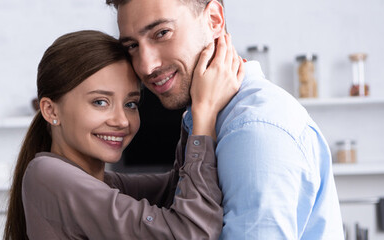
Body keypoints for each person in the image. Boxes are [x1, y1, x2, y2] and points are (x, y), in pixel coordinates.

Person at [107, 0, 345, 239]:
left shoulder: (253, 130)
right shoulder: (209, 118)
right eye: (132, 46)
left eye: (162, 33)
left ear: (214, 20)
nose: (146, 66)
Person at [3, 30, 243, 239]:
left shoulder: (102, 184)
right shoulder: (49, 176)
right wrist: (204, 112)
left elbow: (179, 186)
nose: (121, 121)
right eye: (100, 102)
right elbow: (190, 232)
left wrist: (191, 101)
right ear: (50, 110)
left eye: (131, 104)